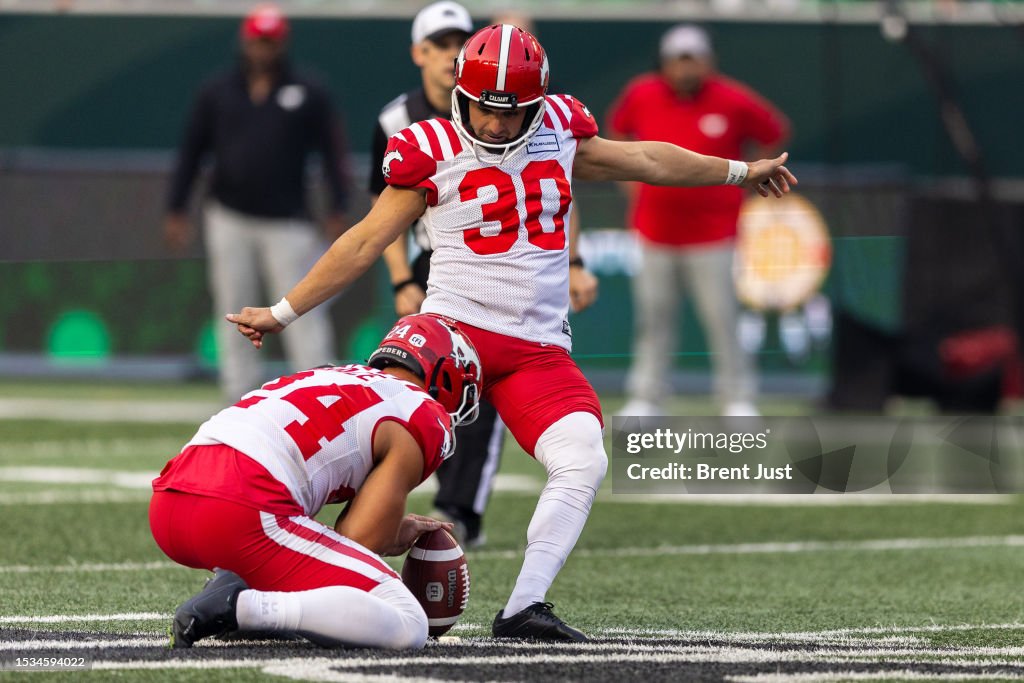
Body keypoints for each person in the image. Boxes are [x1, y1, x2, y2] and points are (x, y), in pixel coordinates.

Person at [227, 24, 796, 641]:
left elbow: (647, 158)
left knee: (582, 456)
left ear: (538, 102)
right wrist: (282, 312)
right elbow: (365, 240)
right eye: (486, 109)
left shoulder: (559, 128)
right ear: (462, 93)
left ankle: (525, 606)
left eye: (514, 112)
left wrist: (740, 170)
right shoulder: (430, 147)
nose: (498, 125)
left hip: (538, 350)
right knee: (370, 459)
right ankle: (260, 579)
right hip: (448, 334)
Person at [149, 313, 482, 650]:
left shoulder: (330, 372)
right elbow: (360, 539)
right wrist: (385, 534)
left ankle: (250, 595)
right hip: (240, 508)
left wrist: (389, 527)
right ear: (444, 373)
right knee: (409, 623)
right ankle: (243, 607)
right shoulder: (422, 413)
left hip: (170, 503)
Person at [164, 3, 351, 403]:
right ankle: (238, 396)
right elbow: (192, 151)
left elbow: (332, 152)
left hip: (288, 220)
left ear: (281, 43)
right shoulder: (218, 90)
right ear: (245, 41)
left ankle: (319, 392)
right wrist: (177, 207)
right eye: (257, 41)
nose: (263, 49)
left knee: (302, 304)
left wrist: (338, 205)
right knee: (233, 307)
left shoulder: (308, 91)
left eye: (270, 41)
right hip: (229, 215)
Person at [608, 24, 791, 418]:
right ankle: (647, 396)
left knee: (723, 319)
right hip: (655, 231)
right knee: (653, 320)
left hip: (714, 234)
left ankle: (737, 397)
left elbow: (773, 131)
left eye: (693, 59)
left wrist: (749, 181)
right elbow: (616, 134)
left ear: (708, 62)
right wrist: (631, 185)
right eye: (679, 59)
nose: (686, 68)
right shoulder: (642, 93)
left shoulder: (732, 99)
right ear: (666, 63)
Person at [369, 1, 499, 549]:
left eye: (459, 43)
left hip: (496, 260)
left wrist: (574, 260)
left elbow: (555, 172)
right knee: (417, 380)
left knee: (484, 386)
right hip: (430, 260)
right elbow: (383, 212)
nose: (451, 55)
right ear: (419, 53)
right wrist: (402, 280)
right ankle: (395, 489)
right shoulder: (395, 120)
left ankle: (461, 506)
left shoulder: (501, 107)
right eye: (441, 45)